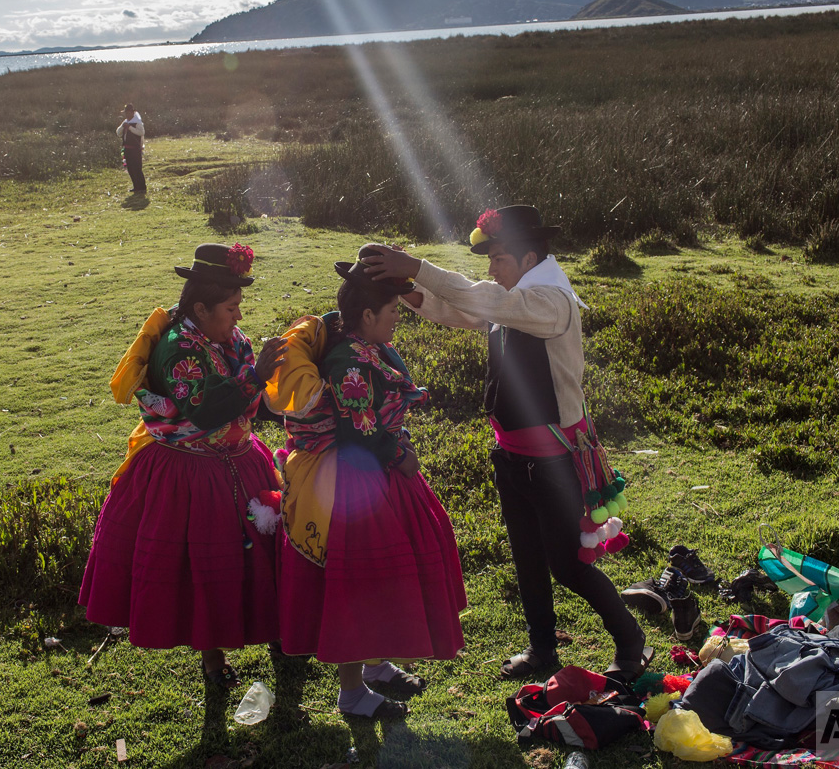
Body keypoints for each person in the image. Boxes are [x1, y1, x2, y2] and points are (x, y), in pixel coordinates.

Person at [361, 207, 649, 683]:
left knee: (568, 565)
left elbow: (485, 301)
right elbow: (464, 310)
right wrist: (411, 291)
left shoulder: (551, 302)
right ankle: (542, 649)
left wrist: (416, 267)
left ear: (529, 257)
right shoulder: (515, 297)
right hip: (512, 453)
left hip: (554, 458)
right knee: (527, 558)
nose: (491, 270)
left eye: (498, 258)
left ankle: (629, 640)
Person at [266, 248, 466, 721]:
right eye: (394, 310)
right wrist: (400, 457)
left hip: (370, 476)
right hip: (355, 484)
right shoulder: (349, 362)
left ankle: (376, 666)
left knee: (380, 579)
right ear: (369, 314)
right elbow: (361, 428)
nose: (399, 317)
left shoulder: (366, 348)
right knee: (360, 583)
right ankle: (352, 693)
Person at [78, 242, 288, 690]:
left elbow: (248, 402)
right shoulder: (178, 350)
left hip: (237, 459)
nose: (237, 316)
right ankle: (213, 663)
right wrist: (255, 377)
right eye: (231, 307)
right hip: (187, 473)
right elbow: (205, 411)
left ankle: (279, 636)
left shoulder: (228, 339)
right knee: (201, 564)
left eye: (238, 307)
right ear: (199, 307)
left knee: (262, 555)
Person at [117, 103, 146, 195]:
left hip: (135, 149)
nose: (127, 114)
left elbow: (141, 132)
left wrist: (130, 128)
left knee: (137, 168)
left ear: (133, 112)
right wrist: (123, 127)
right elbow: (118, 133)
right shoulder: (125, 122)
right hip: (127, 149)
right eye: (126, 113)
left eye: (129, 112)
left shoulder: (137, 122)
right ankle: (136, 186)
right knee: (130, 168)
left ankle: (142, 187)